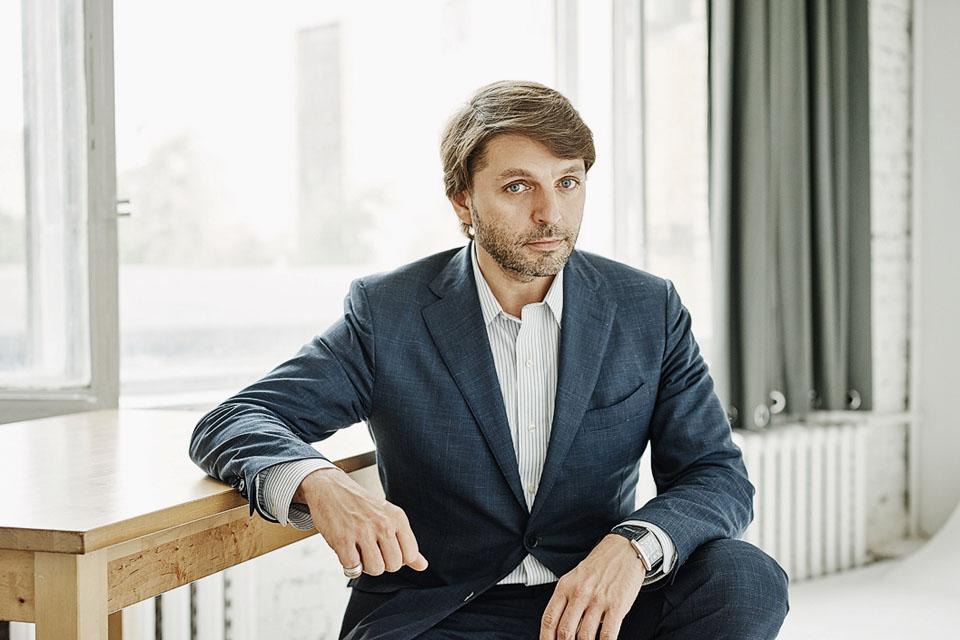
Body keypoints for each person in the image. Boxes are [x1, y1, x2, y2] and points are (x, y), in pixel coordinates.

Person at [189, 80, 789, 640]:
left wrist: (632, 547)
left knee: (745, 576)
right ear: (463, 202)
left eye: (568, 182)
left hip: (597, 599)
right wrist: (320, 483)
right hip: (445, 608)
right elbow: (235, 420)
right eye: (518, 187)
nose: (551, 214)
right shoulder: (389, 312)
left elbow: (715, 474)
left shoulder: (646, 308)